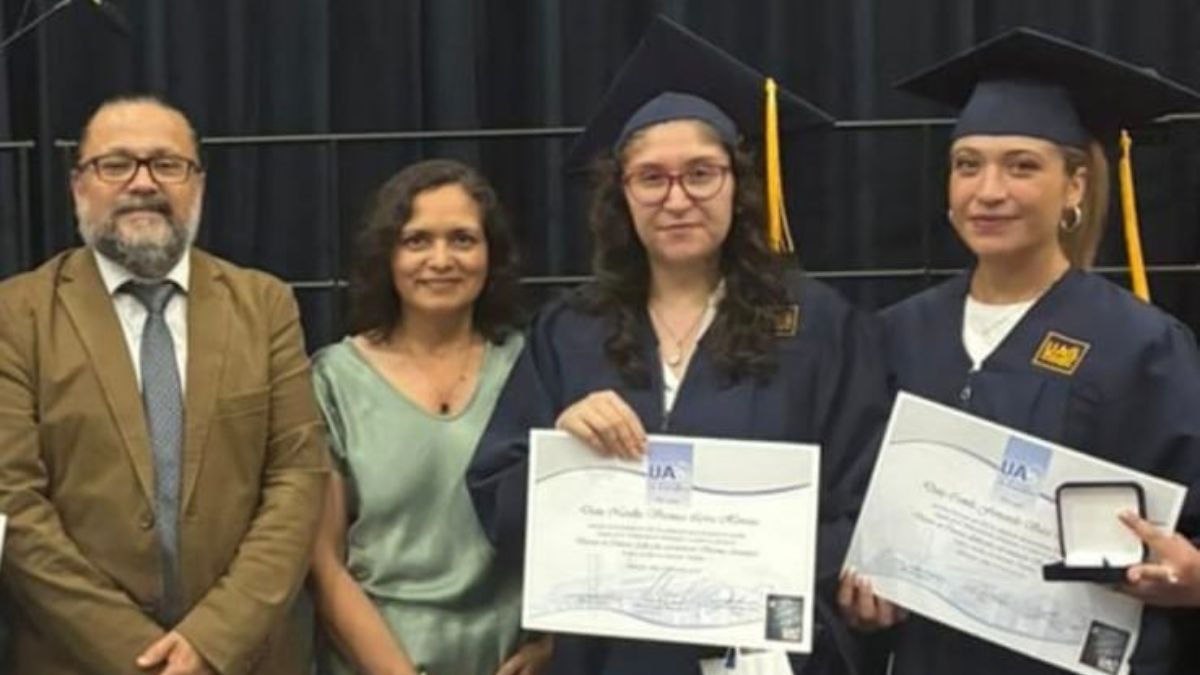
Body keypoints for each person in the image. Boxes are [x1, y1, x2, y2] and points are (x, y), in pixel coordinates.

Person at [468, 16, 891, 675]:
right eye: (651, 178)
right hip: (610, 658)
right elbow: (498, 493)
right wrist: (562, 447)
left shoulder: (817, 326)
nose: (677, 199)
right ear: (622, 195)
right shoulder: (570, 329)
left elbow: (864, 495)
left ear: (738, 185)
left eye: (701, 173)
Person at [836, 27, 1200, 675]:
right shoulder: (894, 334)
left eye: (1022, 165)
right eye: (967, 165)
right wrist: (859, 592)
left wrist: (1193, 575)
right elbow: (855, 511)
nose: (988, 190)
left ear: (1075, 186)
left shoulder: (1141, 345)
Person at [0, 95, 329, 674]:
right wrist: (141, 658)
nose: (143, 182)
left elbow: (296, 479)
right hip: (73, 660)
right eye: (115, 164)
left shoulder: (265, 305)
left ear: (198, 184)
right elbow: (12, 502)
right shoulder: (15, 315)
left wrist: (212, 642)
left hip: (244, 659)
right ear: (78, 186)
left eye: (167, 164)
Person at [309, 159, 551, 675]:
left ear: (491, 254)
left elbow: (575, 530)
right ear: (387, 255)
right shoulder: (333, 379)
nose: (441, 260)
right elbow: (324, 564)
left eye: (462, 239)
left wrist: (552, 646)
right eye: (417, 240)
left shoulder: (533, 368)